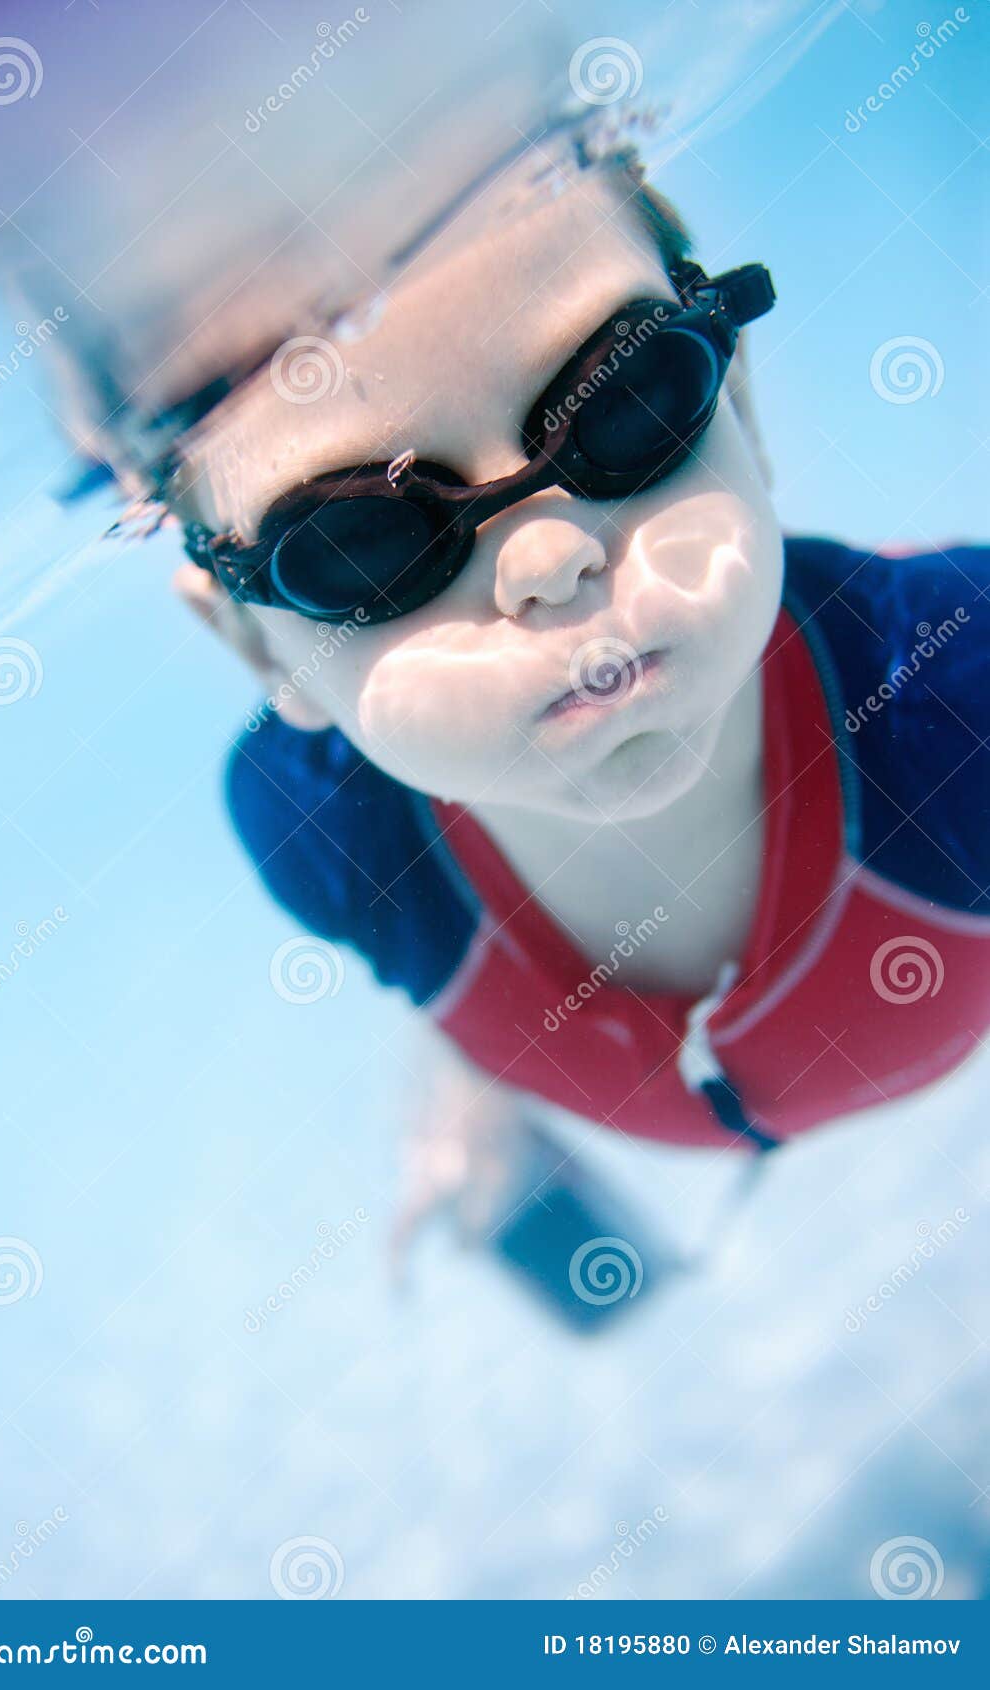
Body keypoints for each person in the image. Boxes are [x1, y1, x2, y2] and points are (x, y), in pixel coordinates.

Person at [161, 155, 988, 1237]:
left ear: (738, 404)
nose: (548, 557)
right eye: (362, 544)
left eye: (633, 403)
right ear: (263, 655)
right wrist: (471, 1070)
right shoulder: (321, 828)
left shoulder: (953, 690)